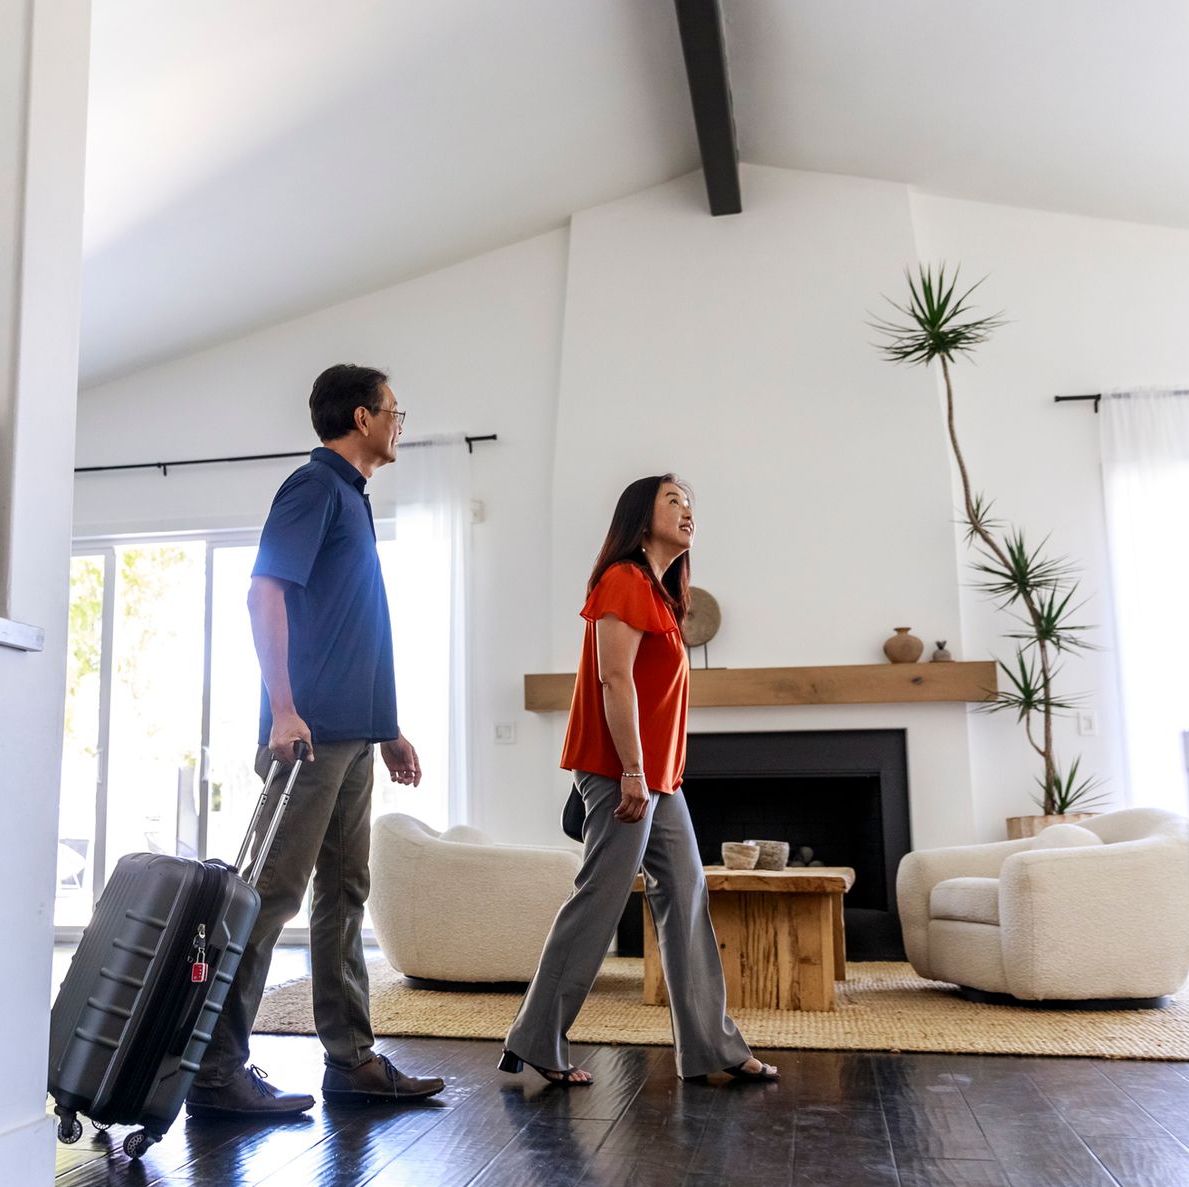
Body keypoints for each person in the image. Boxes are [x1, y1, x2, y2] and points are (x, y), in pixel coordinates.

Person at [187, 364, 446, 1116]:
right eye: (394, 411)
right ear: (362, 417)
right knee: (268, 897)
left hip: (351, 735)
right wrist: (282, 710)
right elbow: (263, 592)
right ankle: (214, 1071)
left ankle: (351, 1059)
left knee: (344, 894)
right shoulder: (313, 488)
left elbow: (349, 630)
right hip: (306, 737)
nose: (399, 423)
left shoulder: (351, 498)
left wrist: (386, 727)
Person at [501, 475, 778, 1085]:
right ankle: (536, 1038)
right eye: (673, 500)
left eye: (690, 503)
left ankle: (710, 1047)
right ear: (640, 517)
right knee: (600, 897)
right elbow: (615, 679)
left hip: (658, 778)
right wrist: (630, 769)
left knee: (686, 891)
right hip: (619, 771)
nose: (687, 511)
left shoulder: (662, 594)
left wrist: (651, 773)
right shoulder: (623, 579)